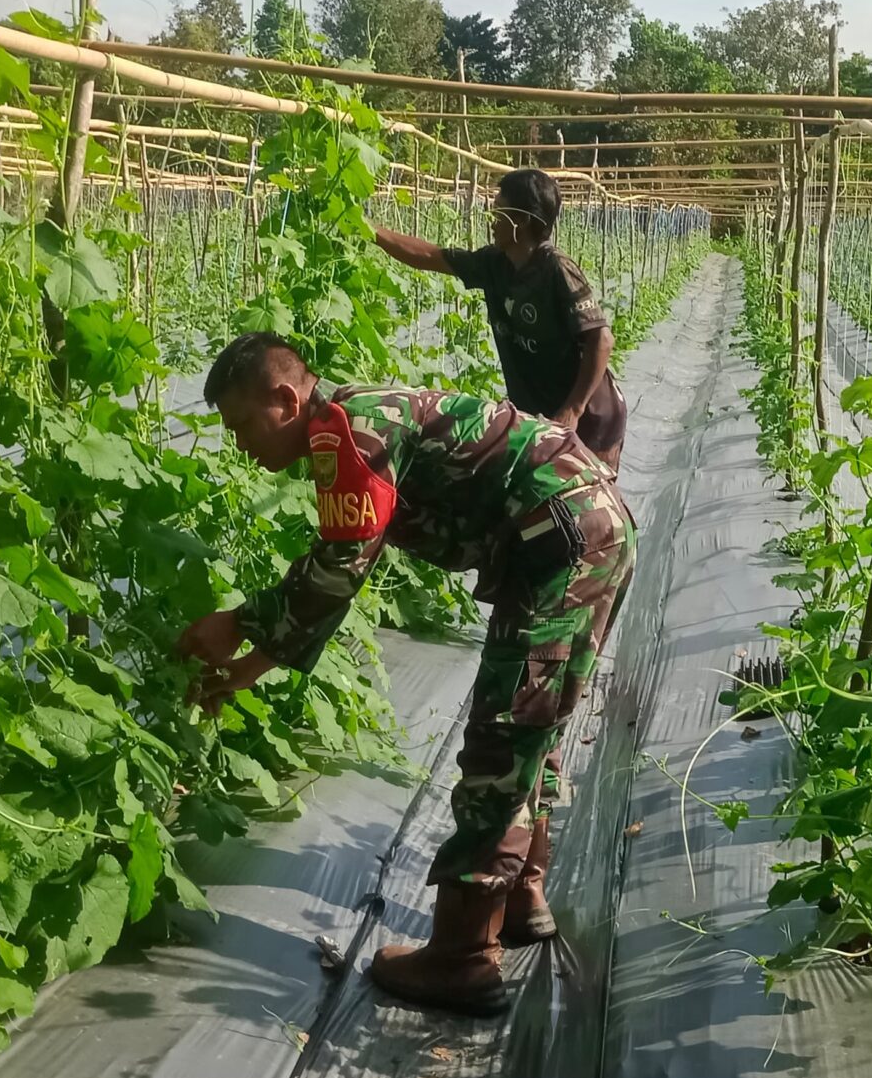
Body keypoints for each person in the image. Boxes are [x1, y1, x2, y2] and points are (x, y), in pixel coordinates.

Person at [175, 331, 634, 1017]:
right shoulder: (355, 421)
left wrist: (238, 624)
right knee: (531, 727)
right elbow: (337, 564)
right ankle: (520, 896)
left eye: (243, 423)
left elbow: (337, 569)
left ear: (285, 396)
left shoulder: (347, 434)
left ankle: (462, 957)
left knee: (503, 735)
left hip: (561, 544)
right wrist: (248, 665)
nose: (241, 443)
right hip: (573, 532)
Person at [372, 168, 626, 472]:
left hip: (590, 417)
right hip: (540, 413)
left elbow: (602, 339)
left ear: (521, 220)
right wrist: (371, 230)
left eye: (499, 212)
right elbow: (429, 256)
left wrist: (573, 409)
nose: (492, 221)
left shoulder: (557, 269)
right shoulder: (493, 264)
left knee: (588, 504)